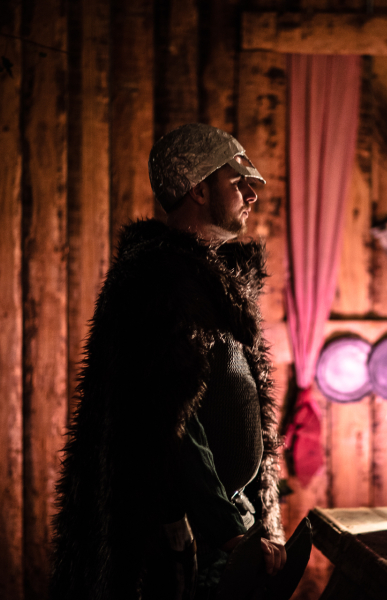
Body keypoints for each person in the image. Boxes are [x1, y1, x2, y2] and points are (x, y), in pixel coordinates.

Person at [50, 124, 287, 599]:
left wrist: (254, 516)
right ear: (199, 190)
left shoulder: (211, 282)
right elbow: (168, 418)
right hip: (180, 533)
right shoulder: (155, 281)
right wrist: (225, 528)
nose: (251, 194)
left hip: (227, 519)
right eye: (237, 181)